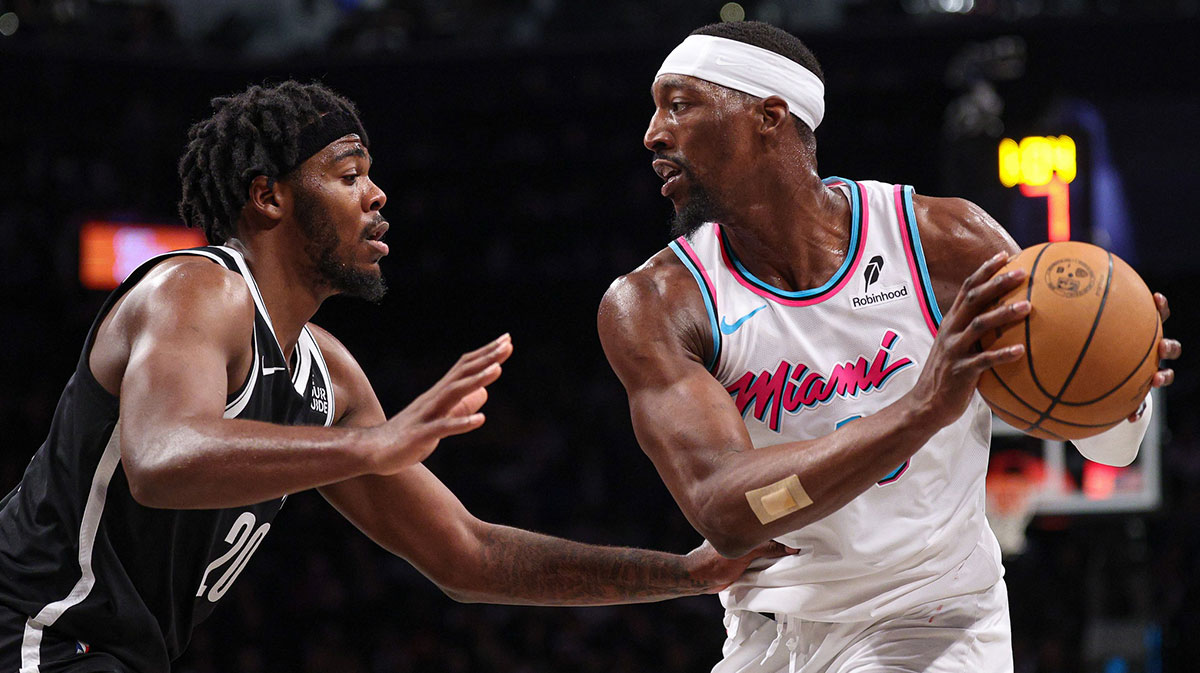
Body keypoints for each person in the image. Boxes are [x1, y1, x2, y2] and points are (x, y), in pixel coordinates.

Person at [0, 81, 786, 672]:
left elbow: (468, 556)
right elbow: (161, 459)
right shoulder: (197, 289)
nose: (377, 195)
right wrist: (375, 447)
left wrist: (681, 572)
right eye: (347, 175)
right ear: (267, 195)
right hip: (33, 628)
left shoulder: (328, 375)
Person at [597, 21, 1180, 673]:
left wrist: (1123, 385)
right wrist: (920, 410)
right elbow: (727, 510)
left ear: (768, 115)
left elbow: (1102, 441)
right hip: (767, 636)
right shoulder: (656, 303)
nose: (653, 134)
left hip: (933, 619)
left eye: (678, 105)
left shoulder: (942, 243)